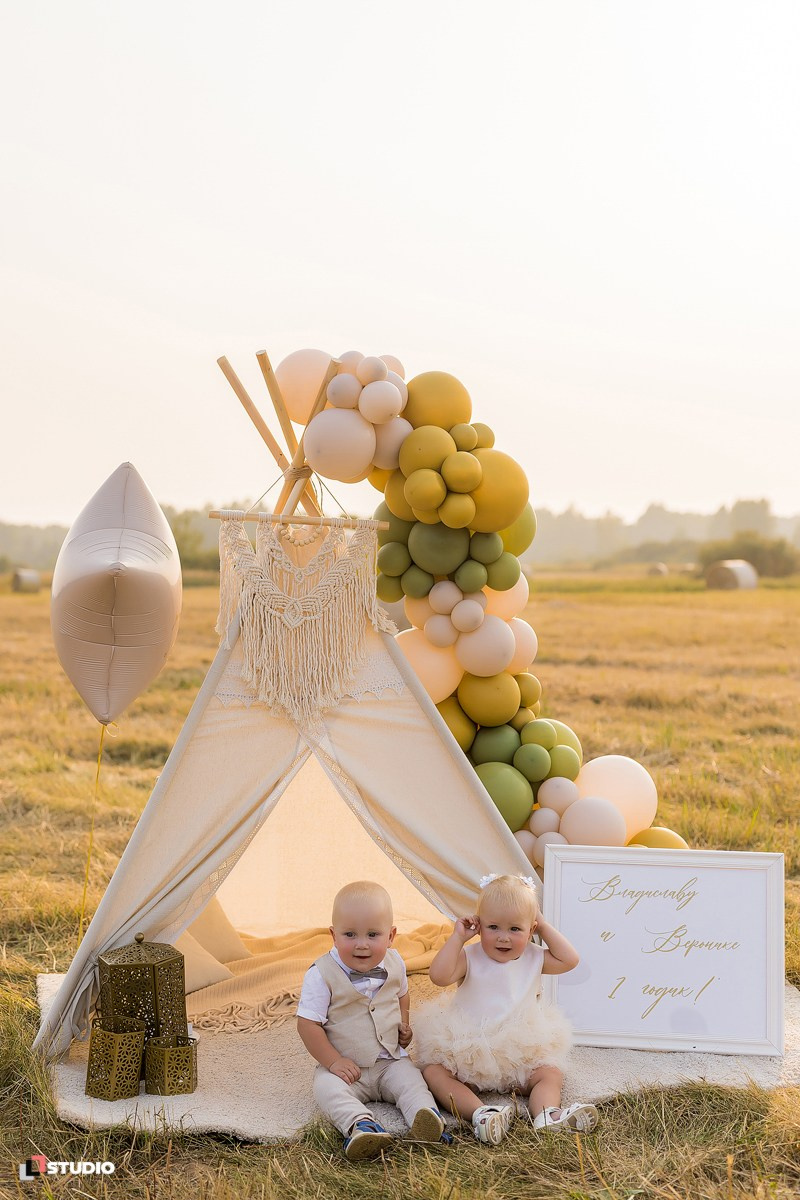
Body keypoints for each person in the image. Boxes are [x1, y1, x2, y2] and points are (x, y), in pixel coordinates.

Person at [414, 873, 598, 1145]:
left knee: (549, 1073)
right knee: (434, 1072)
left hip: (520, 1050)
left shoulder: (535, 957)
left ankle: (548, 1115)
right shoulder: (470, 956)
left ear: (531, 929)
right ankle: (481, 1114)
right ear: (478, 926)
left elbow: (570, 959)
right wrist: (457, 939)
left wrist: (544, 927)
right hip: (469, 1048)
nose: (503, 938)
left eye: (515, 929)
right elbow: (439, 977)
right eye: (493, 927)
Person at [296, 880, 449, 1161]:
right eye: (350, 934)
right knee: (326, 1089)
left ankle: (426, 1120)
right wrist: (333, 1062)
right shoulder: (321, 974)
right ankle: (360, 1126)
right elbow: (307, 1025)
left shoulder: (396, 962)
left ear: (391, 936)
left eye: (373, 934)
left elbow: (402, 994)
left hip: (390, 1060)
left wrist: (404, 1026)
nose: (362, 945)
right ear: (333, 934)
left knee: (413, 1081)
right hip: (346, 1065)